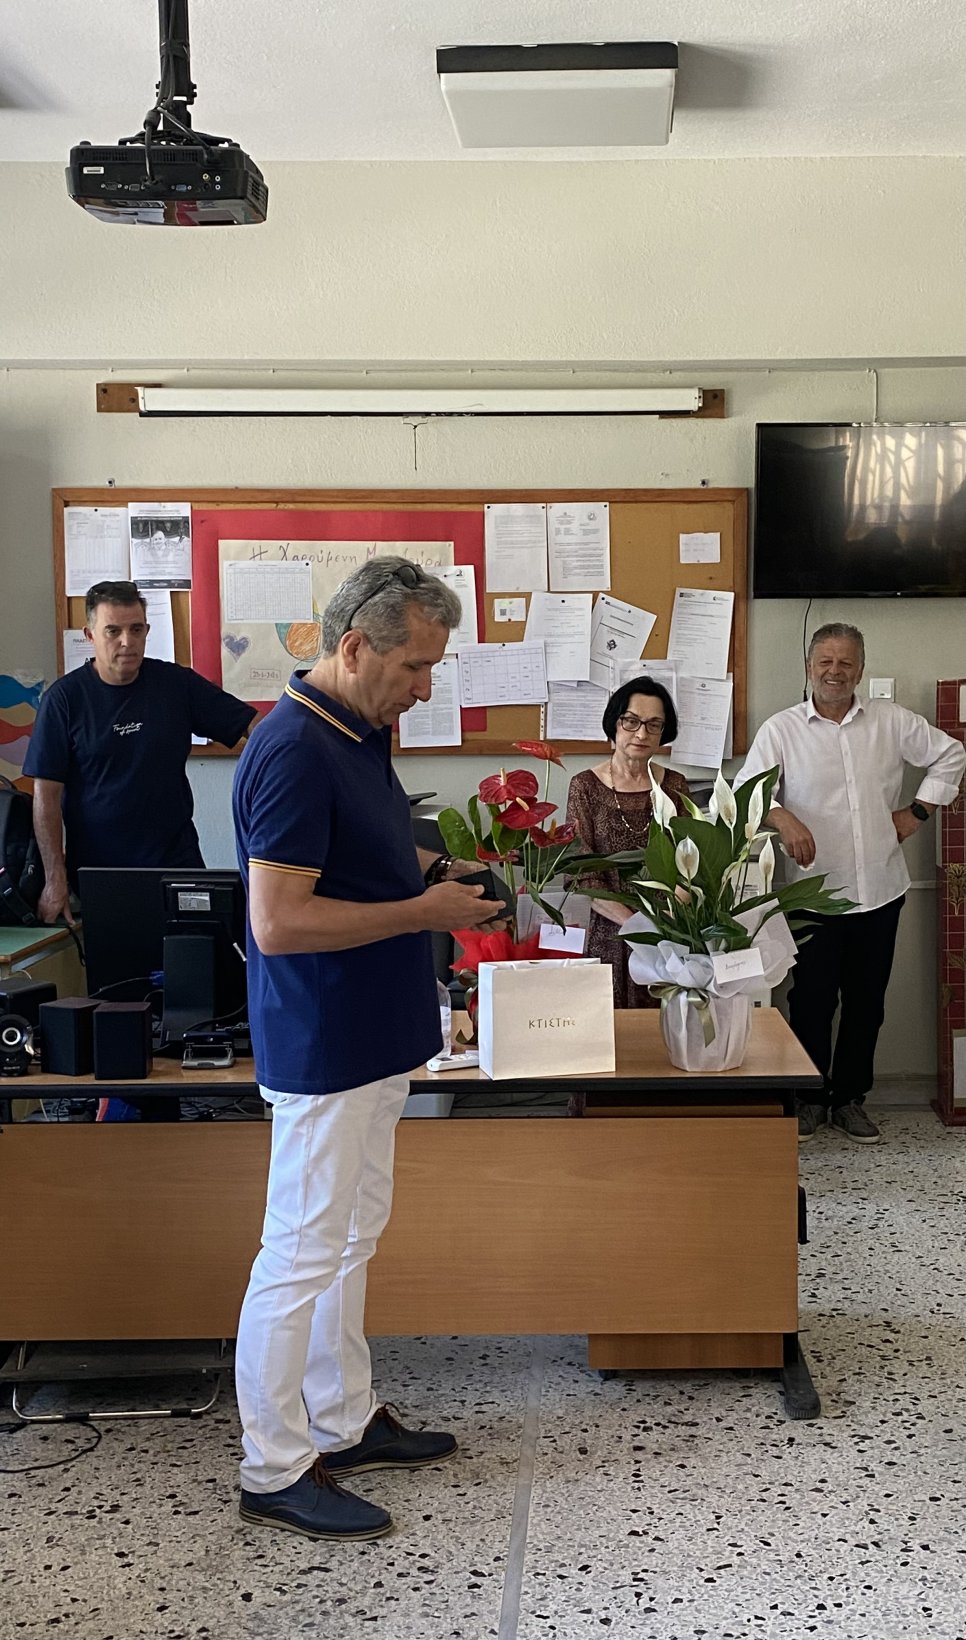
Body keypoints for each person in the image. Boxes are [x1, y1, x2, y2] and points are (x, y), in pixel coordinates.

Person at [231, 556, 502, 1543]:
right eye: (416, 666)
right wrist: (424, 911)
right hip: (324, 1039)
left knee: (351, 1237)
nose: (426, 686)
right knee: (301, 1251)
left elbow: (373, 845)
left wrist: (445, 868)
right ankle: (273, 1465)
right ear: (355, 647)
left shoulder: (356, 730)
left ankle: (341, 1422)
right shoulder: (293, 748)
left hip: (377, 1032)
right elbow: (279, 922)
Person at [734, 622, 965, 1144]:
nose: (834, 672)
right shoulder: (781, 730)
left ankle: (851, 1100)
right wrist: (781, 816)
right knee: (811, 1003)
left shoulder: (891, 721)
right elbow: (747, 791)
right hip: (812, 894)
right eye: (825, 662)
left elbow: (952, 753)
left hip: (879, 889)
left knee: (867, 1005)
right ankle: (810, 1098)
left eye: (845, 663)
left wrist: (918, 812)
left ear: (860, 670)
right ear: (809, 667)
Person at [24, 580, 257, 924]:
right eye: (113, 631)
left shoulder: (176, 685)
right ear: (90, 635)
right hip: (99, 874)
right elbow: (45, 795)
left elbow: (254, 727)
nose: (127, 641)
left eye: (136, 629)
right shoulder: (64, 701)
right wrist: (54, 878)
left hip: (176, 864)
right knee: (115, 960)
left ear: (147, 630)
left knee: (201, 953)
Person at [566, 676, 690, 1006]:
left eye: (653, 724)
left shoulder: (675, 785)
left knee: (664, 1026)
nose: (641, 734)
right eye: (631, 721)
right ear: (615, 723)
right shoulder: (585, 787)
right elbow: (581, 872)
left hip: (667, 934)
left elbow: (691, 863)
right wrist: (635, 926)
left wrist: (664, 923)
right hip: (607, 934)